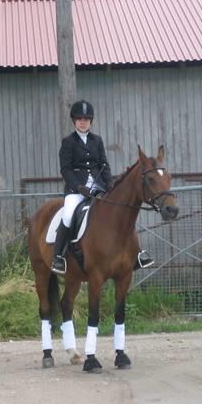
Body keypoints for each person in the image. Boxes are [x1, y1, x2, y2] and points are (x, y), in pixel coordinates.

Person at [52, 100, 153, 274]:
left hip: (98, 187)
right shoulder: (68, 142)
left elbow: (104, 165)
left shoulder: (96, 140)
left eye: (86, 118)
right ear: (74, 121)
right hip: (76, 190)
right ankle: (59, 257)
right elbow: (65, 169)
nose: (83, 121)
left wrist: (109, 184)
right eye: (79, 118)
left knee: (120, 214)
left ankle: (137, 253)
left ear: (91, 121)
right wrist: (77, 186)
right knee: (68, 216)